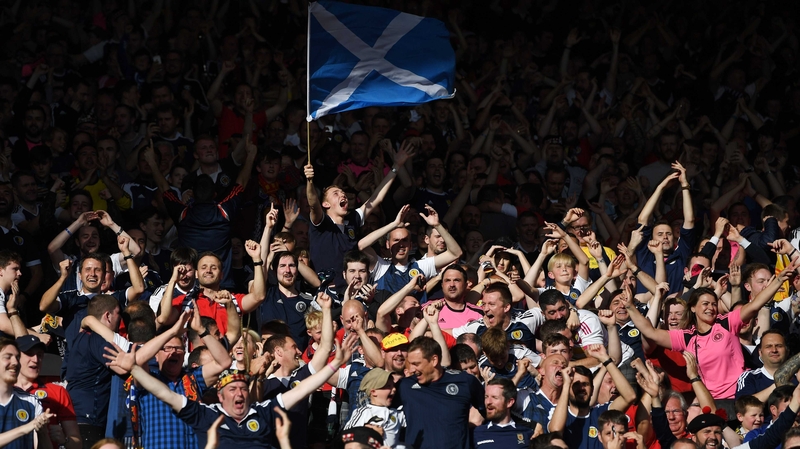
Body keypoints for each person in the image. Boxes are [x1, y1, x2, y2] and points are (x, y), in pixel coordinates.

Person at [104, 331, 358, 448]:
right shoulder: (207, 414)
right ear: (221, 394)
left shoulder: (263, 410)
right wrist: (134, 369)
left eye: (242, 388)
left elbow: (303, 389)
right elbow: (164, 393)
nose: (239, 393)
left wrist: (334, 364)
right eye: (232, 389)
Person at [394, 336, 484, 449]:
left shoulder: (465, 382)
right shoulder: (404, 386)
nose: (411, 369)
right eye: (410, 364)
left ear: (434, 360)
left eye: (416, 364)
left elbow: (489, 411)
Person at [0, 338, 53, 449]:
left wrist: (42, 432)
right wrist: (24, 428)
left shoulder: (31, 401)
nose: (15, 362)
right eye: (8, 357)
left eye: (17, 357)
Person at [344, 368, 406, 448]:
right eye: (388, 386)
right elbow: (346, 436)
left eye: (393, 385)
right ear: (373, 392)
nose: (394, 389)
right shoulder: (364, 412)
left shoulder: (397, 413)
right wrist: (370, 434)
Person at [473, 377, 535, 449]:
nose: (488, 402)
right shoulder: (476, 433)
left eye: (494, 397)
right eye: (486, 397)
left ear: (509, 402)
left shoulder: (527, 433)